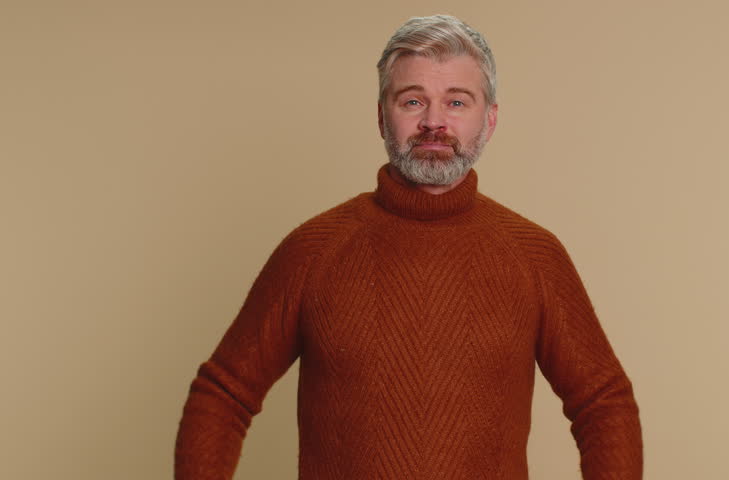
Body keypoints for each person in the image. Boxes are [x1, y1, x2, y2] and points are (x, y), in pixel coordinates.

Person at [175, 14, 642, 480]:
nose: (434, 122)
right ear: (382, 115)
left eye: (457, 101)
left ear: (491, 119)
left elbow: (603, 403)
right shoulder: (313, 252)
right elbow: (223, 395)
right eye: (413, 100)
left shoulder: (534, 256)